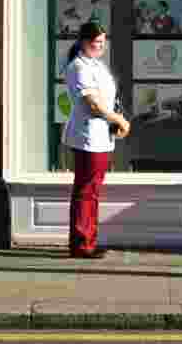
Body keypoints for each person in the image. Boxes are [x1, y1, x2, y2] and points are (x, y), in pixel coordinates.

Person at [62, 22, 130, 259]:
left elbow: (106, 100)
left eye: (102, 42)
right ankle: (82, 244)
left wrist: (114, 120)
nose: (100, 46)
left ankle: (88, 240)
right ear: (83, 41)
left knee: (92, 190)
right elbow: (93, 104)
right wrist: (119, 119)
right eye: (95, 42)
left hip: (101, 136)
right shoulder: (78, 67)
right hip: (88, 136)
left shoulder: (96, 65)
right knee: (86, 190)